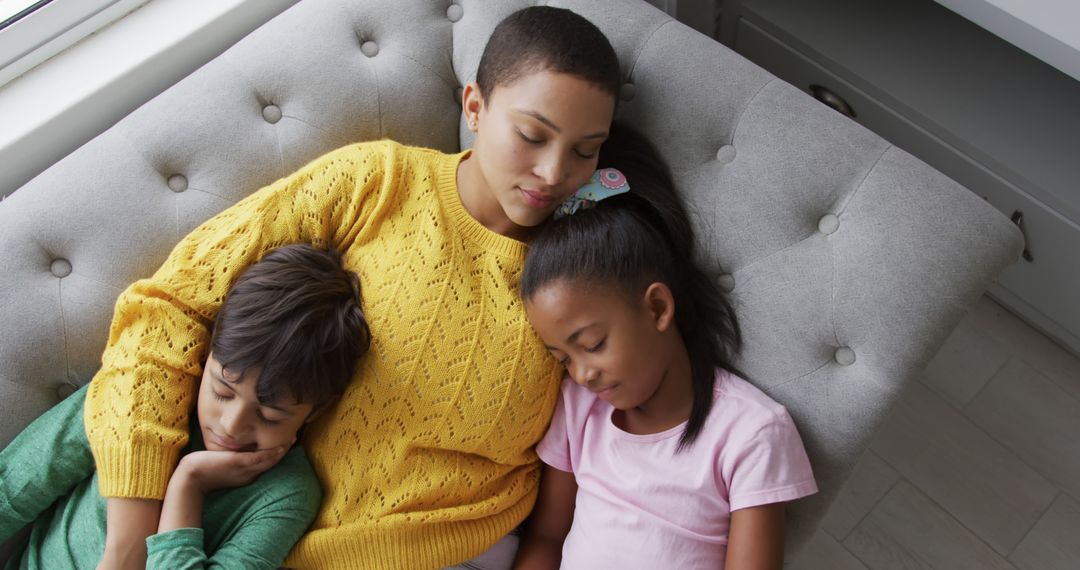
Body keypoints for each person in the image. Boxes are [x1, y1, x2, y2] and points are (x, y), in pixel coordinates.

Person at [79, 6, 622, 569]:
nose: (555, 172)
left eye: (586, 150)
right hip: (238, 537)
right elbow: (170, 306)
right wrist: (130, 538)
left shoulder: (580, 278)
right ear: (475, 107)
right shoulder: (376, 182)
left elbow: (596, 447)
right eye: (533, 136)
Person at [512, 125, 819, 569]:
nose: (581, 374)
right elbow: (546, 537)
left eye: (593, 344)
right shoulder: (581, 409)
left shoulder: (749, 433)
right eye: (562, 358)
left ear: (657, 307)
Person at [0, 244, 371, 569]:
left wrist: (188, 484)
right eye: (222, 391)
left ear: (317, 410)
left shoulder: (286, 494)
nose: (230, 425)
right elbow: (16, 484)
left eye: (269, 415)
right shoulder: (143, 392)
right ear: (207, 354)